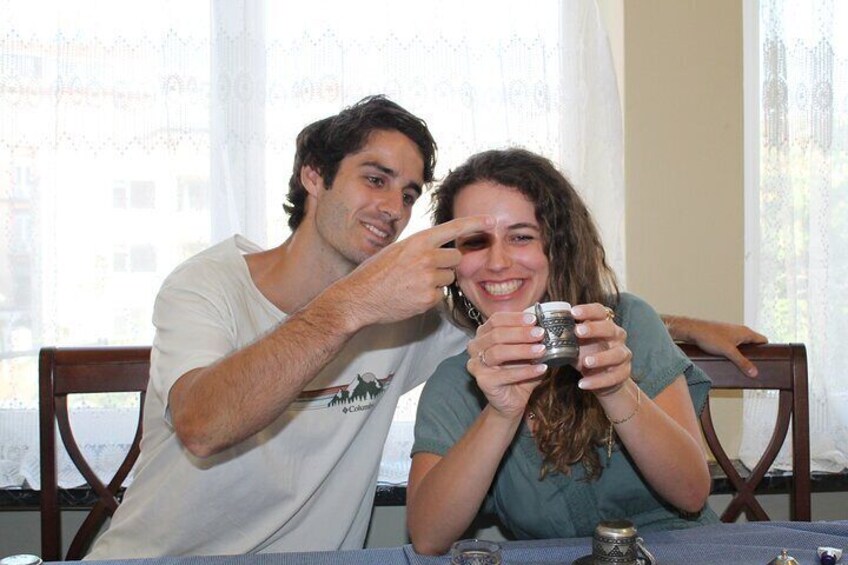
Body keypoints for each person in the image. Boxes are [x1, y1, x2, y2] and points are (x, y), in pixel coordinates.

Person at [86, 97, 763, 559]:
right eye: (375, 179)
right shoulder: (209, 285)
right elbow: (202, 423)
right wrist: (353, 303)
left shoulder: (418, 317)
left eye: (410, 194)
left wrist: (684, 325)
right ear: (313, 175)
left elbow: (530, 301)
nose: (393, 208)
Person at [407, 148, 730, 555]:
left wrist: (615, 389)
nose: (497, 262)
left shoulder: (625, 325)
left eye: (521, 237)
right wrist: (501, 413)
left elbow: (692, 493)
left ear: (558, 246)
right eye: (475, 242)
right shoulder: (457, 382)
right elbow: (428, 537)